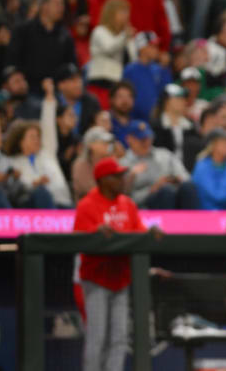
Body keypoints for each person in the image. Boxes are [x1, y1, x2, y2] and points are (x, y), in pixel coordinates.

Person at [74, 157, 149, 371]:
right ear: (104, 179)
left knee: (119, 338)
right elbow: (78, 240)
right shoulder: (87, 204)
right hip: (96, 278)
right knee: (97, 336)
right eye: (116, 176)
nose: (122, 179)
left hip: (121, 278)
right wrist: (95, 233)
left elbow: (140, 233)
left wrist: (152, 234)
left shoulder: (128, 204)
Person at [5, 80, 73, 207]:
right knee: (41, 193)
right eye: (32, 137)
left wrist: (49, 95)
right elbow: (14, 190)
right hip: (34, 209)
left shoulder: (47, 151)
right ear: (21, 141)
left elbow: (48, 124)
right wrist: (34, 184)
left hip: (63, 204)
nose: (37, 140)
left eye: (38, 137)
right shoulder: (13, 162)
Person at [6, 0, 77, 95]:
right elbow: (12, 60)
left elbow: (71, 63)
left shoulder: (65, 35)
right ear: (44, 6)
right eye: (57, 3)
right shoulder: (23, 30)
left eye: (62, 4)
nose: (62, 7)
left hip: (56, 90)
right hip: (28, 89)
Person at [120, 120, 199, 209]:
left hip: (174, 197)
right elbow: (126, 198)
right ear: (129, 139)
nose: (146, 142)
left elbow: (186, 178)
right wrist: (152, 189)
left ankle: (193, 221)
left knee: (188, 187)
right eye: (141, 139)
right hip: (146, 205)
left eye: (148, 137)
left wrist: (177, 180)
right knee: (166, 191)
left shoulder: (165, 155)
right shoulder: (123, 164)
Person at [91, 0, 170, 51]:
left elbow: (161, 19)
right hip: (119, 53)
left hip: (150, 54)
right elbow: (98, 20)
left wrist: (163, 49)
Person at [86, 0, 132, 109]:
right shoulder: (100, 31)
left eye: (127, 12)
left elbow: (132, 58)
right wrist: (125, 36)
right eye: (122, 12)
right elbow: (109, 48)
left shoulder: (125, 35)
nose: (125, 16)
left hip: (117, 86)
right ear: (111, 13)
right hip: (101, 85)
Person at [191, 128, 226, 210]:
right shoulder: (202, 167)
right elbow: (219, 196)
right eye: (224, 142)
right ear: (212, 146)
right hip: (206, 215)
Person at [122, 31, 172, 123]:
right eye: (152, 46)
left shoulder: (159, 69)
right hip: (133, 119)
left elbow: (166, 90)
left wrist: (165, 69)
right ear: (142, 48)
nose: (156, 49)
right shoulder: (130, 70)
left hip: (155, 120)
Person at [150, 83, 201, 170]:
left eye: (183, 98)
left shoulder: (190, 127)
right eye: (178, 98)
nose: (184, 101)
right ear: (167, 102)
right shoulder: (156, 127)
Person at [71, 126, 118, 200]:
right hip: (88, 207)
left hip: (110, 204)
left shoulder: (110, 161)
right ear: (91, 145)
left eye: (108, 143)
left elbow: (120, 187)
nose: (107, 145)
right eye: (103, 142)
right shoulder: (80, 165)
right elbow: (90, 190)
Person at [54, 63, 101, 135]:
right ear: (61, 85)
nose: (78, 84)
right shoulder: (53, 103)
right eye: (73, 80)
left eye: (79, 79)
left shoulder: (91, 102)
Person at [108, 81, 135, 147]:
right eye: (120, 96)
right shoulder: (106, 121)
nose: (125, 101)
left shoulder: (136, 124)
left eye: (129, 96)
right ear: (112, 99)